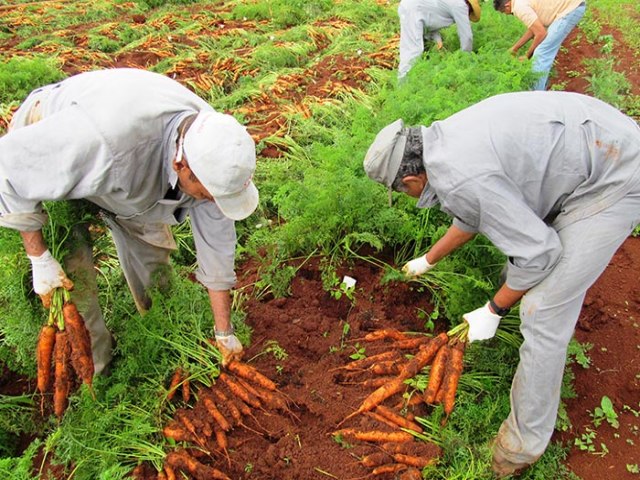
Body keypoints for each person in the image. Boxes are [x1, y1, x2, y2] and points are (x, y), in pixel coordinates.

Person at [363, 91, 640, 477]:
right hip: (594, 137)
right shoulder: (442, 144)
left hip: (614, 174)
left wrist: (494, 309)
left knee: (541, 311)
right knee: (518, 271)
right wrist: (427, 260)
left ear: (412, 178)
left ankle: (519, 448)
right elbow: (475, 211)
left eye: (402, 192)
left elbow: (540, 253)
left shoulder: (460, 176)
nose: (407, 198)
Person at [0, 68, 259, 373]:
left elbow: (216, 244)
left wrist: (223, 332)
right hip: (52, 150)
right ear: (181, 166)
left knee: (154, 269)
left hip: (131, 175)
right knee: (75, 284)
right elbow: (6, 168)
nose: (212, 202)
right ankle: (100, 371)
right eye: (208, 195)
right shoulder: (100, 142)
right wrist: (39, 257)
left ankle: (160, 336)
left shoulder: (213, 145)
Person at [494, 0, 586, 91]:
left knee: (541, 52)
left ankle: (536, 94)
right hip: (571, 7)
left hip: (569, 10)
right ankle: (541, 87)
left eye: (503, 12)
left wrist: (527, 56)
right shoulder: (519, 2)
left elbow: (541, 33)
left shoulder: (518, 7)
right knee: (543, 51)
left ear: (507, 5)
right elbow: (534, 29)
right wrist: (515, 48)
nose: (506, 14)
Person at [398, 0, 482, 79]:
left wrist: (438, 40)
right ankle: (402, 84)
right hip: (413, 10)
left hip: (413, 8)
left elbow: (432, 17)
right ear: (469, 5)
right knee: (414, 50)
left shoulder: (452, 3)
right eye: (470, 12)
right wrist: (466, 58)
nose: (468, 15)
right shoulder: (461, 5)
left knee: (416, 50)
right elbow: (467, 36)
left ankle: (412, 80)